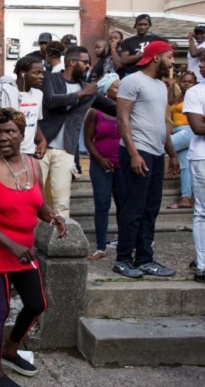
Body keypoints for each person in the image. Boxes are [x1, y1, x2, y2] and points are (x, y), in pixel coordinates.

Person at [0, 108, 66, 387]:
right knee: (0, 310)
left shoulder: (33, 165)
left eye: (10, 131)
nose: (3, 137)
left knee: (37, 303)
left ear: (22, 135)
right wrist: (11, 245)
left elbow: (37, 203)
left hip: (22, 250)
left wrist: (52, 216)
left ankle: (11, 349)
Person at [0, 56, 47, 276]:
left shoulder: (38, 95)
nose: (42, 77)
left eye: (42, 72)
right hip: (1, 157)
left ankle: (22, 251)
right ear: (23, 73)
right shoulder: (3, 91)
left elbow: (32, 121)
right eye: (37, 72)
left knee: (24, 206)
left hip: (27, 156)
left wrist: (42, 140)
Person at [114, 41, 179, 279]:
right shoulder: (132, 81)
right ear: (156, 58)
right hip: (137, 151)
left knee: (150, 209)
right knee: (133, 208)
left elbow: (162, 123)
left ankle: (144, 259)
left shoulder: (161, 86)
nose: (173, 62)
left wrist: (171, 153)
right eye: (170, 57)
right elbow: (122, 119)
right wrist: (133, 153)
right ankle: (122, 259)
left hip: (156, 153)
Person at [39, 46, 116, 218]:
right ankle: (30, 238)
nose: (89, 66)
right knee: (35, 197)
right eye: (86, 62)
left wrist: (133, 104)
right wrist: (81, 94)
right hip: (42, 146)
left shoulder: (87, 89)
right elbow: (51, 101)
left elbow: (113, 109)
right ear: (72, 62)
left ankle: (60, 240)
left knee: (62, 201)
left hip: (66, 149)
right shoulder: (50, 79)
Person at [83, 74, 124, 261]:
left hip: (123, 164)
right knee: (102, 204)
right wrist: (99, 159)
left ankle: (125, 243)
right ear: (106, 91)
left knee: (124, 205)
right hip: (101, 165)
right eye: (116, 87)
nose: (120, 90)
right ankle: (100, 246)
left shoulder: (126, 110)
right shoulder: (95, 112)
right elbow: (88, 140)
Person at [184, 51, 205, 284]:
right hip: (202, 157)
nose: (201, 65)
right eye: (200, 60)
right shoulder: (195, 91)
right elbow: (198, 127)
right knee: (202, 211)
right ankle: (202, 265)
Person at [167, 71, 198, 209]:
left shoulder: (196, 96)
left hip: (188, 131)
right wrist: (171, 86)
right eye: (184, 81)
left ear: (195, 84)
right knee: (184, 166)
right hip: (178, 131)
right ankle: (186, 198)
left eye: (190, 81)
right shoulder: (180, 97)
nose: (186, 83)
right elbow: (170, 103)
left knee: (158, 144)